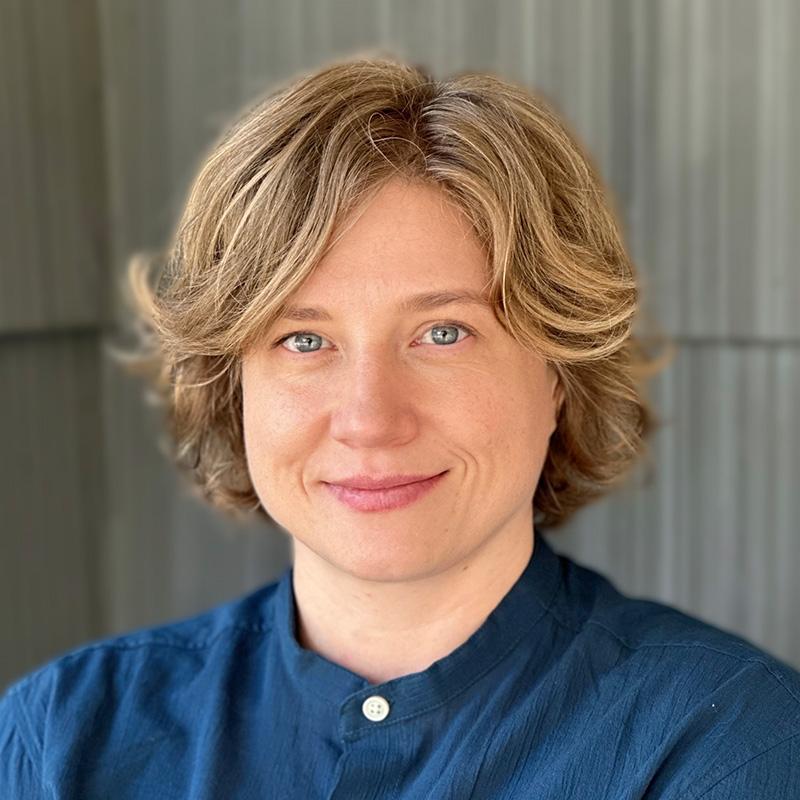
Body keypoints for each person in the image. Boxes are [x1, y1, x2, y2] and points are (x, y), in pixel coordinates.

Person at [1, 52, 798, 798]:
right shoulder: (67, 737)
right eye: (303, 339)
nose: (369, 420)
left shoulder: (721, 743)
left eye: (443, 333)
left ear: (559, 371)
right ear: (233, 388)